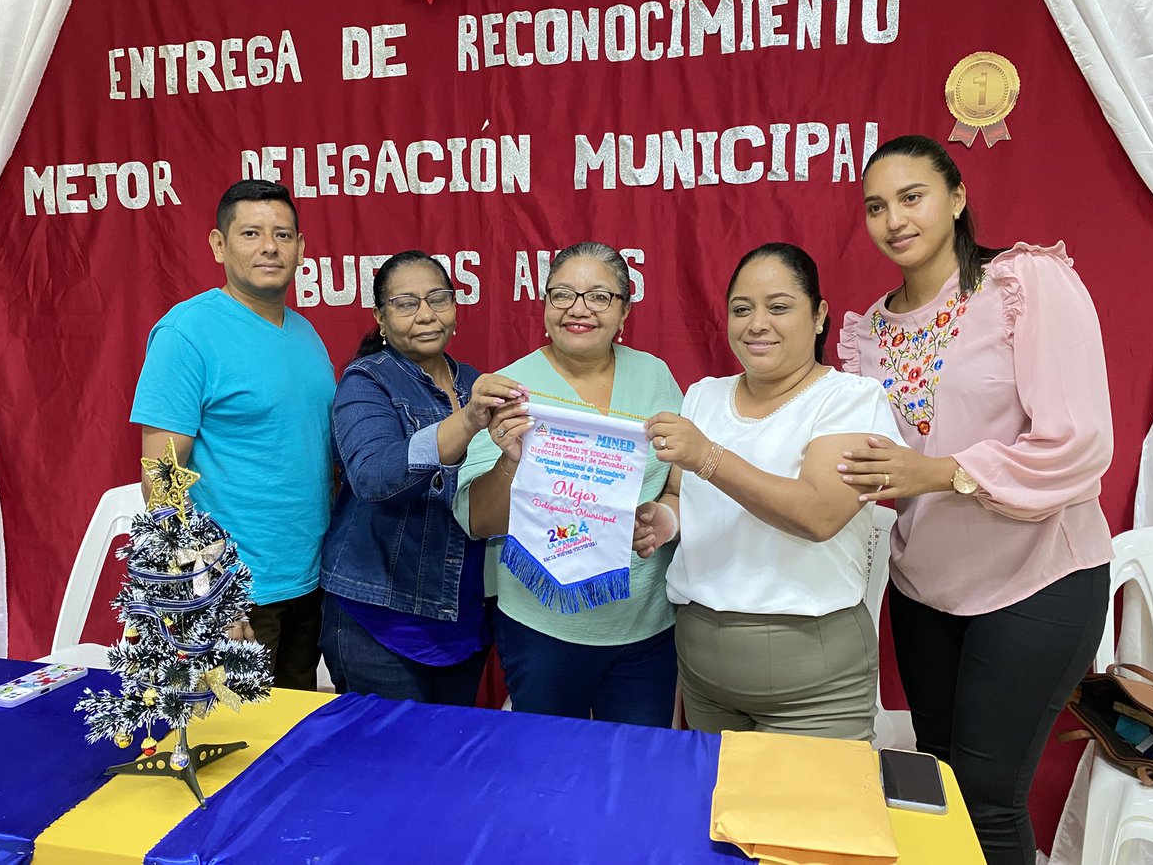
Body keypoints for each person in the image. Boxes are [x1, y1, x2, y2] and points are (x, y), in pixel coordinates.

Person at [836, 135, 1112, 865]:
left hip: (1037, 578)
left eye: (912, 196)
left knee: (987, 798)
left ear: (957, 198)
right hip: (924, 587)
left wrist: (943, 472)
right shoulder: (869, 332)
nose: (894, 218)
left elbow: (1080, 445)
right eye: (875, 206)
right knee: (934, 781)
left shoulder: (1025, 284)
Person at [632, 243, 902, 740]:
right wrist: (663, 520)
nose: (758, 323)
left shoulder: (850, 399)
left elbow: (818, 514)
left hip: (814, 678)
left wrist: (709, 458)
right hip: (704, 665)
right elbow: (684, 496)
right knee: (716, 813)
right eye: (742, 309)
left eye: (779, 307)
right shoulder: (703, 395)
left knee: (811, 818)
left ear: (819, 315)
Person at [454, 241, 683, 727]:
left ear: (624, 312)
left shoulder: (655, 376)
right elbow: (475, 521)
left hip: (645, 628)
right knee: (548, 776)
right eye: (562, 295)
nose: (578, 309)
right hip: (544, 630)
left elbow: (677, 476)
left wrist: (662, 517)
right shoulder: (509, 390)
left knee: (637, 772)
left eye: (599, 296)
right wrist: (510, 465)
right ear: (544, 308)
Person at [131, 179, 334, 690]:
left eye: (283, 235)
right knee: (235, 750)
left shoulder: (305, 333)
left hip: (308, 581)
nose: (270, 246)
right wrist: (208, 591)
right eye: (250, 233)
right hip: (235, 591)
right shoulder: (186, 334)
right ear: (219, 245)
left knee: (293, 740)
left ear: (301, 248)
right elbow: (161, 475)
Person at [319, 251, 521, 704]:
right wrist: (467, 421)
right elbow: (373, 476)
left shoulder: (476, 382)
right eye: (406, 303)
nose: (426, 314)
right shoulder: (366, 381)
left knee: (443, 764)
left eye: (438, 298)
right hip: (379, 614)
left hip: (462, 616)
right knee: (387, 765)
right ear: (381, 318)